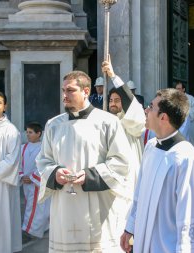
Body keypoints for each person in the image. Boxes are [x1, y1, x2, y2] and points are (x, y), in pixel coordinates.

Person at [36, 70, 133, 252]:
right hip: (64, 206)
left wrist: (90, 176)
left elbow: (121, 162)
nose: (65, 95)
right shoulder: (53, 125)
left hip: (98, 205)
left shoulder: (108, 122)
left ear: (86, 91)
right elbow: (43, 160)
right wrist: (55, 173)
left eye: (70, 90)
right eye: (63, 90)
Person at [120, 88, 194, 253]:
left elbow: (190, 216)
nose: (146, 110)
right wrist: (130, 228)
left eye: (151, 106)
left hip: (167, 246)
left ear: (163, 117)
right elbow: (139, 193)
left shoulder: (186, 158)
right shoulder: (151, 146)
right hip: (143, 239)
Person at [0, 91, 22, 253]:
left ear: (5, 106)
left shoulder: (10, 130)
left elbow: (12, 158)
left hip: (1, 182)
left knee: (1, 217)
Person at [102, 58, 146, 182]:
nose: (112, 104)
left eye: (117, 100)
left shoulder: (131, 119)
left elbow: (131, 103)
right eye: (111, 100)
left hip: (129, 174)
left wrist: (112, 76)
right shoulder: (105, 121)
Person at [20, 122, 50, 241]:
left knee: (36, 208)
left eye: (30, 132)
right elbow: (18, 164)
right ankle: (38, 228)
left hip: (37, 183)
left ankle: (30, 231)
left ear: (39, 134)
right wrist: (22, 175)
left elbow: (45, 165)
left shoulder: (44, 148)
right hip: (26, 183)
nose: (28, 134)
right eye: (27, 132)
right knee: (30, 206)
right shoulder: (23, 147)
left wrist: (32, 177)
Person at [175, 82, 194, 152]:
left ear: (183, 89)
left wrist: (188, 115)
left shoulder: (190, 98)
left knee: (192, 143)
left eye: (179, 88)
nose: (177, 90)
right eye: (176, 88)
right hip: (179, 124)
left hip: (191, 123)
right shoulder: (174, 99)